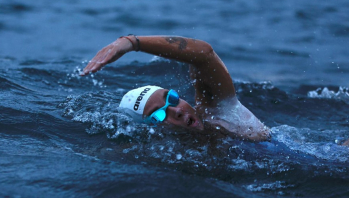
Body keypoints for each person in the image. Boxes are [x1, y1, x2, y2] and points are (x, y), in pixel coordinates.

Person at [81, 35, 270, 142]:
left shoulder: (219, 113)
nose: (177, 111)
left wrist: (132, 43)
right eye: (158, 115)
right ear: (151, 130)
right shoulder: (174, 157)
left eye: (171, 98)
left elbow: (205, 55)